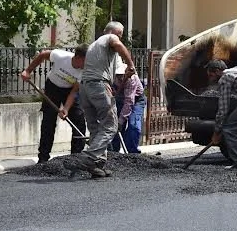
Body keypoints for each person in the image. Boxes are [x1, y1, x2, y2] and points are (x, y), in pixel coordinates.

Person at [65, 21, 136, 178]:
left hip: (85, 87)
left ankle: (97, 164)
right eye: (121, 35)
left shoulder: (94, 46)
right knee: (111, 125)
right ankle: (88, 157)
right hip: (98, 85)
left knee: (96, 128)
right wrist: (131, 64)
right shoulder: (109, 38)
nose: (120, 38)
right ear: (113, 33)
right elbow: (117, 44)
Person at [20, 44, 89, 164]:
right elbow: (42, 55)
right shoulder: (61, 56)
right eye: (85, 60)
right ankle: (43, 158)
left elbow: (74, 91)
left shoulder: (84, 71)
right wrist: (28, 71)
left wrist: (66, 109)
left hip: (69, 91)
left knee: (79, 121)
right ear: (78, 57)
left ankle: (76, 158)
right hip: (52, 88)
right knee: (48, 122)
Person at [111, 62, 145, 154]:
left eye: (122, 75)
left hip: (136, 100)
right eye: (118, 75)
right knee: (113, 124)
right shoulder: (110, 77)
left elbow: (129, 102)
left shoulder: (132, 79)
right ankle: (113, 152)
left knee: (133, 125)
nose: (120, 77)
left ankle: (132, 152)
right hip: (120, 98)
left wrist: (120, 121)